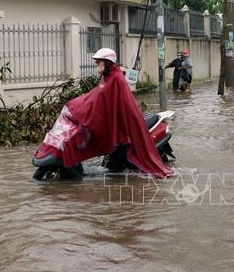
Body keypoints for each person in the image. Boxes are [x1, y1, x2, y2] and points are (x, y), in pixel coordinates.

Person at [38, 48, 173, 178]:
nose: (96, 65)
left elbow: (101, 101)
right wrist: (76, 106)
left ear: (107, 62)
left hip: (123, 124)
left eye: (99, 62)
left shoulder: (116, 78)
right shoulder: (107, 77)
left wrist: (80, 109)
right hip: (112, 121)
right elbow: (95, 97)